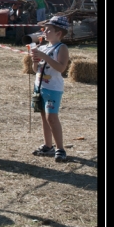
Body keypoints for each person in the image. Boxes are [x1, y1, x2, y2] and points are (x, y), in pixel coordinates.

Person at [31, 15, 70, 162]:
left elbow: (61, 68)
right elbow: (36, 69)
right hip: (39, 86)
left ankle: (60, 148)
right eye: (44, 29)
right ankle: (48, 145)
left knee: (52, 117)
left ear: (58, 33)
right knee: (44, 116)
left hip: (53, 88)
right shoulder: (43, 47)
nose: (44, 32)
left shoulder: (61, 48)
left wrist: (44, 56)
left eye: (48, 30)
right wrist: (34, 60)